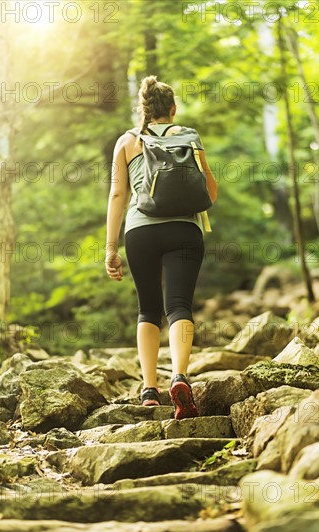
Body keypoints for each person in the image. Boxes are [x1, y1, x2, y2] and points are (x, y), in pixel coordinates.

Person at [105, 75, 218, 420]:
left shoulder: (127, 141)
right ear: (173, 109)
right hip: (185, 229)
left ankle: (150, 389)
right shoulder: (189, 137)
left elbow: (117, 195)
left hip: (141, 231)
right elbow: (210, 193)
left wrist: (111, 248)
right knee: (179, 305)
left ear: (144, 109)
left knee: (148, 309)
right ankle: (180, 377)